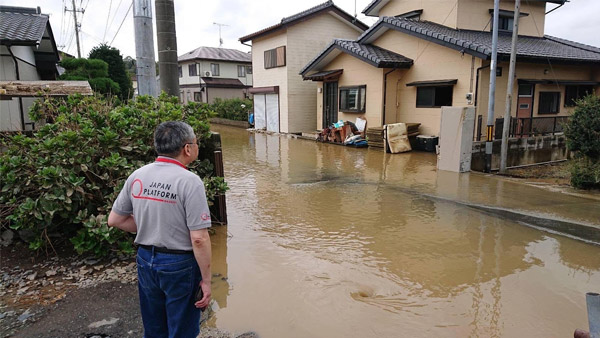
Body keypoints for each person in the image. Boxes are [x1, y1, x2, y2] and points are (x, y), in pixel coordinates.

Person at [107, 121, 212, 338]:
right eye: (195, 143)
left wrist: (149, 226)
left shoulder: (138, 175)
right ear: (187, 148)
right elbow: (199, 238)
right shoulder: (190, 182)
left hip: (146, 260)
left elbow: (115, 219)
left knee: (154, 327)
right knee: (181, 329)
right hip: (179, 265)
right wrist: (207, 280)